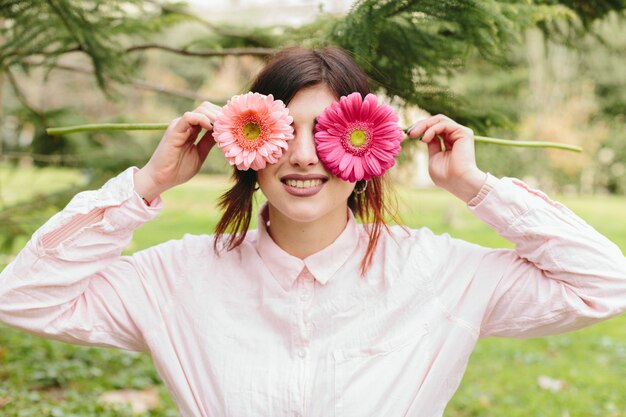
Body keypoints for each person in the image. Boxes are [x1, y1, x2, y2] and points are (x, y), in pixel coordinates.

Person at [0, 47, 625, 417]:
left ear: (373, 147)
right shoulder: (177, 277)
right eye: (283, 131)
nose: (303, 156)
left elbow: (605, 284)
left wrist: (475, 187)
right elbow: (23, 298)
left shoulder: (440, 274)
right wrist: (148, 183)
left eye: (328, 132)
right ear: (247, 144)